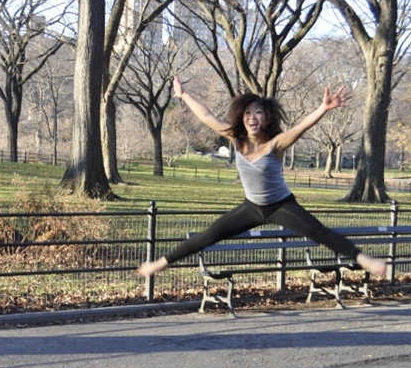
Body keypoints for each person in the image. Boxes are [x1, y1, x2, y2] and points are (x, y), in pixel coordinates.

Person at [137, 77, 387, 278]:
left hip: (281, 206)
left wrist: (323, 108)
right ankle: (161, 263)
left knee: (317, 231)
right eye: (248, 113)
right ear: (241, 117)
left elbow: (301, 127)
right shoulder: (236, 138)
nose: (252, 117)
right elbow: (206, 116)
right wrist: (183, 95)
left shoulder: (276, 144)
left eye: (258, 112)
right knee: (209, 234)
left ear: (267, 119)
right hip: (251, 207)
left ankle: (362, 258)